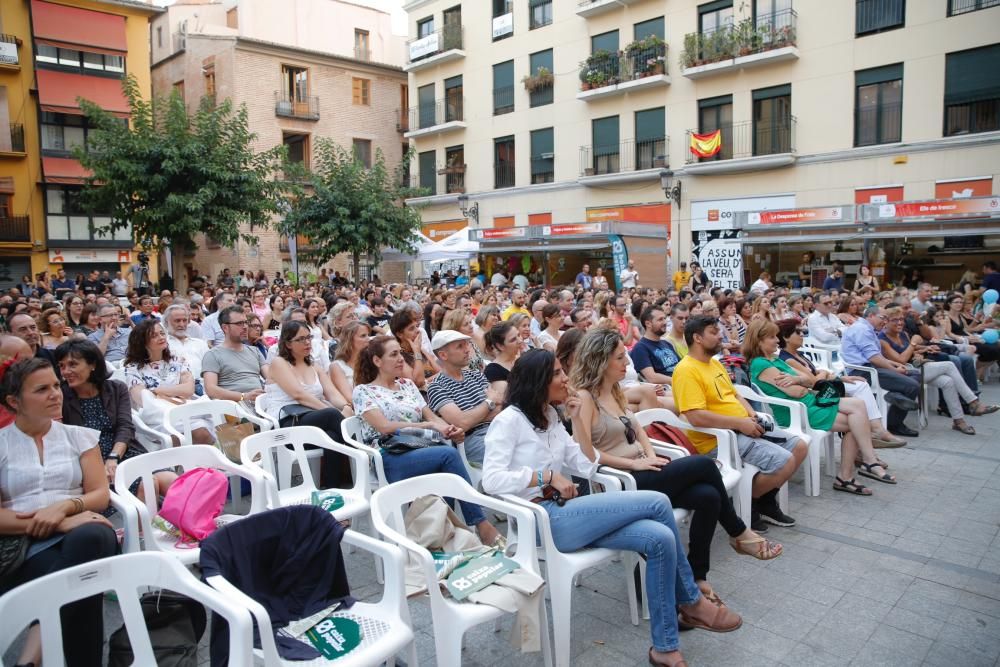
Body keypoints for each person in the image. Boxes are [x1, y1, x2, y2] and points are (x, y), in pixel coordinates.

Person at [483, 349, 742, 666]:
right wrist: (544, 475)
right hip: (539, 521)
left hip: (570, 511)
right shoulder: (508, 422)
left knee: (658, 538)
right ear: (537, 381)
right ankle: (691, 600)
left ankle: (664, 647)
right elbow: (491, 480)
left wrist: (576, 420)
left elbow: (585, 464)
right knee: (658, 502)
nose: (566, 378)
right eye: (558, 373)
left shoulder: (549, 417)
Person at [571, 328, 782, 598]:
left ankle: (698, 578)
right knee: (704, 467)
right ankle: (739, 533)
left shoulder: (614, 391)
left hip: (644, 469)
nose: (627, 363)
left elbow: (638, 427)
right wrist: (635, 464)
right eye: (620, 358)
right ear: (600, 361)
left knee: (707, 496)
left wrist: (647, 454)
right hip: (620, 481)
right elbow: (586, 455)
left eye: (625, 356)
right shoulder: (585, 397)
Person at [0, 358, 118, 667]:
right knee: (84, 579)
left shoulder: (78, 436)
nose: (56, 394)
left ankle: (31, 657)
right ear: (14, 401)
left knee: (91, 536)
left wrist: (66, 507)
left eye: (56, 385)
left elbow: (99, 495)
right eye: (42, 389)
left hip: (83, 530)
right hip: (25, 544)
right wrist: (59, 523)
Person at [352, 335, 501, 545]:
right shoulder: (363, 391)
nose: (401, 359)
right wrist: (424, 426)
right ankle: (480, 524)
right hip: (390, 455)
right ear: (377, 361)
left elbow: (432, 417)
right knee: (448, 456)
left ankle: (445, 535)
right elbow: (384, 427)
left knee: (445, 464)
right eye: (393, 354)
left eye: (400, 353)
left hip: (422, 448)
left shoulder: (407, 385)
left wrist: (450, 429)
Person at [672, 316, 808, 530]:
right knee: (784, 461)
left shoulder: (714, 363)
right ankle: (748, 503)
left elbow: (734, 395)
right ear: (697, 338)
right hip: (717, 440)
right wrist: (739, 423)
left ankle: (763, 501)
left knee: (800, 446)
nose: (720, 336)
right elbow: (696, 416)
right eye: (713, 332)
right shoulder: (686, 370)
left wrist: (752, 415)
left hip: (741, 427)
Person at [745, 319, 895, 494]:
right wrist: (803, 382)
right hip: (798, 412)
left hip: (809, 403)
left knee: (858, 407)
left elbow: (810, 381)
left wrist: (800, 380)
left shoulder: (774, 359)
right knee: (857, 421)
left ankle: (862, 465)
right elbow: (796, 392)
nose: (777, 340)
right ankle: (856, 469)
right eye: (771, 337)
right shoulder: (761, 364)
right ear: (759, 340)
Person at [56, 339, 177, 504]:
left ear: (93, 365)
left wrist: (113, 457)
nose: (66, 371)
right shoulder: (61, 396)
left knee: (172, 481)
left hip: (123, 450)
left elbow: (125, 426)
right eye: (62, 366)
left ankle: (191, 526)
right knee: (148, 484)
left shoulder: (115, 388)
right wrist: (103, 464)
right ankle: (146, 528)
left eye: (72, 365)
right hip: (91, 461)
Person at [774, 318, 905, 447]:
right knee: (859, 389)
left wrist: (838, 378)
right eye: (798, 332)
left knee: (859, 385)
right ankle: (875, 430)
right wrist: (825, 373)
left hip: (823, 386)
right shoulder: (787, 359)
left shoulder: (798, 354)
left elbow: (818, 373)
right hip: (815, 392)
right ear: (786, 337)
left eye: (803, 331)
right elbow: (815, 381)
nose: (803, 335)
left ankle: (870, 436)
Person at [262, 320, 354, 488]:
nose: (307, 342)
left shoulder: (313, 365)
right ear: (288, 344)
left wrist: (347, 406)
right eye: (301, 339)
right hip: (288, 424)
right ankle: (362, 457)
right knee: (332, 414)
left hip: (314, 421)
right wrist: (336, 412)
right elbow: (299, 395)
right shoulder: (279, 363)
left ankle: (330, 488)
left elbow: (332, 394)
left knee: (333, 436)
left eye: (309, 337)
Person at [878, 307, 996, 435]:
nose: (899, 323)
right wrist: (913, 344)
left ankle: (959, 421)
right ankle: (973, 402)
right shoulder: (882, 339)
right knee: (949, 365)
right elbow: (901, 359)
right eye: (894, 320)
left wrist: (926, 348)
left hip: (917, 367)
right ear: (886, 322)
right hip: (905, 372)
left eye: (901, 319)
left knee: (948, 382)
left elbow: (911, 347)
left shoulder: (903, 334)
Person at [425, 330, 503, 466]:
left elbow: (500, 408)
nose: (467, 350)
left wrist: (473, 417)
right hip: (473, 439)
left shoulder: (476, 375)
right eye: (460, 346)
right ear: (443, 355)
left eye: (466, 345)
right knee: (516, 453)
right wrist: (489, 402)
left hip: (498, 427)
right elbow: (462, 423)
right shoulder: (436, 387)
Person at [841, 306, 920, 438]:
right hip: (863, 372)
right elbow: (874, 358)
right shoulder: (862, 329)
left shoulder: (867, 329)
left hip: (873, 367)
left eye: (886, 319)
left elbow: (876, 356)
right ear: (871, 316)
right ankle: (895, 424)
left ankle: (895, 395)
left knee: (916, 374)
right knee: (912, 385)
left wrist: (894, 364)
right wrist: (895, 370)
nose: (885, 321)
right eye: (883, 318)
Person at [202, 305, 267, 409]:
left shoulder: (254, 351)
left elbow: (271, 378)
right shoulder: (213, 354)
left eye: (246, 322)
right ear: (225, 328)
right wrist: (244, 396)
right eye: (239, 323)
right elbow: (211, 389)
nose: (245, 327)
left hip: (261, 404)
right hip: (234, 409)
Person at [630, 306, 681, 385]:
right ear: (648, 324)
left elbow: (682, 365)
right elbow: (652, 377)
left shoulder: (666, 343)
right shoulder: (640, 348)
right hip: (668, 389)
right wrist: (677, 380)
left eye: (664, 318)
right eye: (660, 319)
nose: (665, 322)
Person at [389, 307, 437, 390]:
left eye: (416, 326)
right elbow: (417, 383)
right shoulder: (398, 356)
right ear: (400, 334)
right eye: (411, 328)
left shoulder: (421, 349)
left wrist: (427, 380)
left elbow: (442, 373)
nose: (418, 331)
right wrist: (417, 352)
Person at [330, 321, 370, 402]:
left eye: (368, 335)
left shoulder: (372, 361)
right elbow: (349, 398)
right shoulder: (337, 366)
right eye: (363, 336)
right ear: (350, 340)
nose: (368, 339)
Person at [483, 321, 520, 397]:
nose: (520, 340)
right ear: (500, 346)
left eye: (519, 335)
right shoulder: (493, 370)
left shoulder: (521, 358)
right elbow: (506, 400)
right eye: (513, 340)